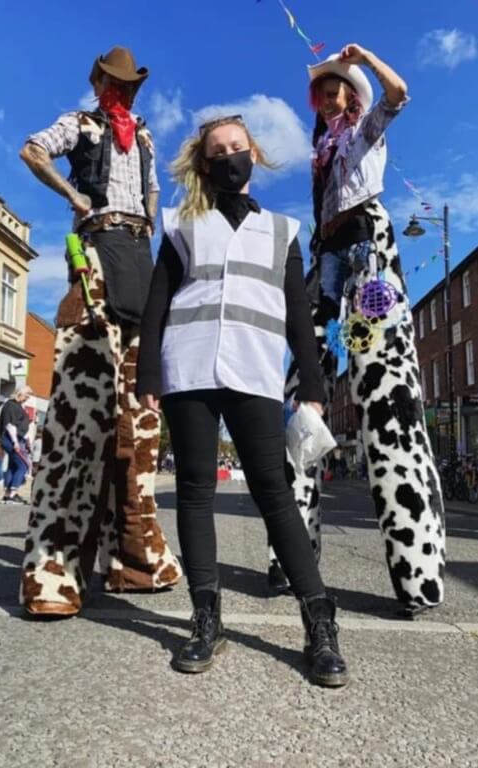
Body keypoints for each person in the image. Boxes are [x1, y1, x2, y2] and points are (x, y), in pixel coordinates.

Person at [136, 115, 349, 687]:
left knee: (274, 494)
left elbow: (300, 315)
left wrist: (312, 382)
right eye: (217, 151)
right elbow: (158, 303)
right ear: (205, 163)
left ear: (252, 152)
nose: (229, 157)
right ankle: (206, 619)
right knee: (195, 493)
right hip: (189, 367)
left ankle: (319, 621)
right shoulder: (182, 224)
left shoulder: (283, 230)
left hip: (254, 372)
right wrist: (147, 375)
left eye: (238, 147)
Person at [281, 44, 445, 617]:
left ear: (351, 95)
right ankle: (293, 555)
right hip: (328, 256)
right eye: (322, 91)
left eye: (336, 89)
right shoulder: (320, 148)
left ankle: (417, 571)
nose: (328, 98)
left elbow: (400, 95)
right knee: (303, 391)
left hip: (369, 259)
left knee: (388, 400)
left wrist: (368, 58)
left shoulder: (368, 129)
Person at [18, 46, 182, 618]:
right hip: (94, 250)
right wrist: (71, 196)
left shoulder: (146, 135)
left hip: (139, 254)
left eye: (131, 84)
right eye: (114, 82)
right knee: (80, 415)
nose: (124, 91)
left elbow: (155, 187)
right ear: (98, 82)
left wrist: (158, 224)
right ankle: (53, 569)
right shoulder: (80, 124)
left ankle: (134, 559)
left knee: (139, 414)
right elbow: (31, 150)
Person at [0, 387, 32, 504]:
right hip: (10, 439)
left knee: (13, 466)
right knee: (23, 465)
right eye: (27, 395)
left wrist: (24, 440)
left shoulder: (15, 405)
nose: (28, 398)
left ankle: (7, 495)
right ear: (20, 393)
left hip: (11, 438)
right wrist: (15, 442)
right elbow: (10, 426)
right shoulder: (11, 405)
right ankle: (12, 494)